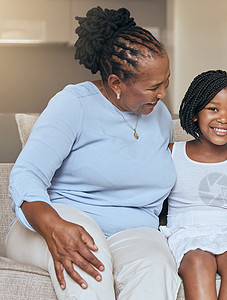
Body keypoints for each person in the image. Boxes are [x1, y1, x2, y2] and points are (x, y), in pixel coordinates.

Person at [6, 7, 180, 300]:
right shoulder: (73, 104)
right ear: (116, 84)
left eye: (166, 82)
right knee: (88, 253)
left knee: (156, 265)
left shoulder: (159, 114)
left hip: (134, 231)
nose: (163, 93)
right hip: (60, 220)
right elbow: (26, 175)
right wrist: (53, 225)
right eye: (153, 87)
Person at [160, 70, 227, 300]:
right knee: (198, 260)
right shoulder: (171, 153)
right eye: (213, 109)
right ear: (195, 113)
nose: (223, 118)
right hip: (186, 232)